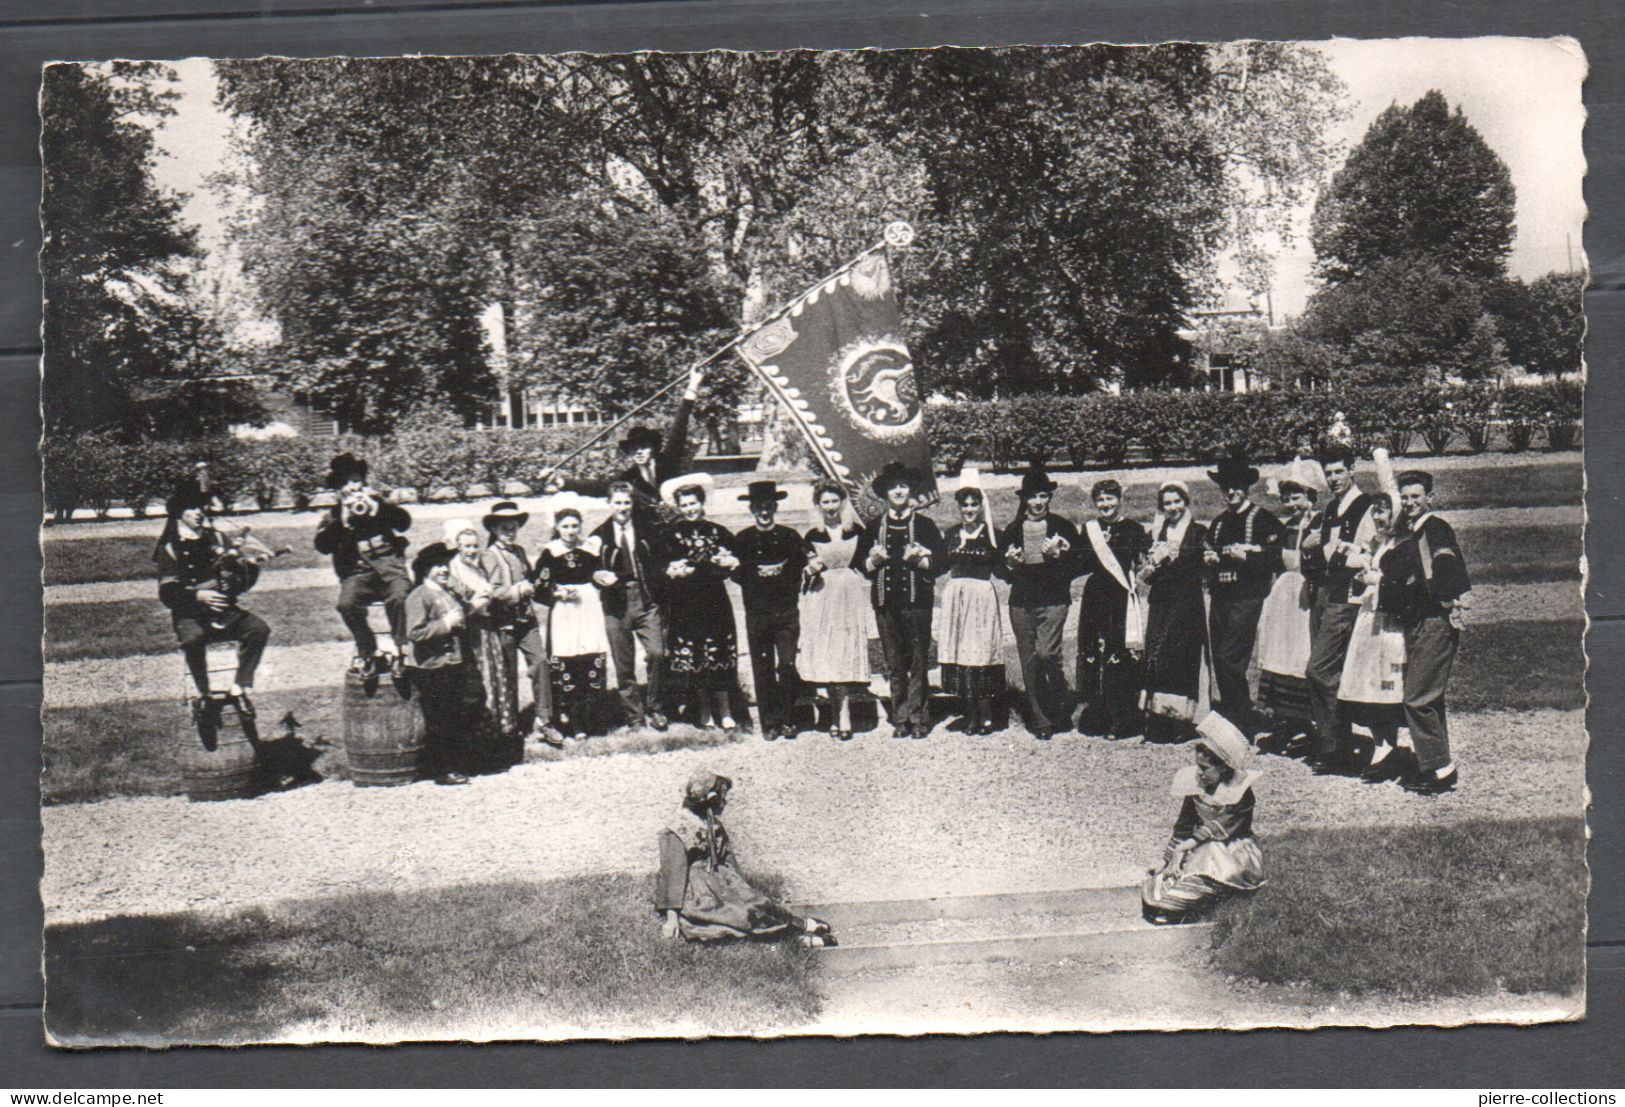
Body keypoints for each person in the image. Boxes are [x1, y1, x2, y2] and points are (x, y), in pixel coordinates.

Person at [656, 769, 835, 947]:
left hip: (720, 881)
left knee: (757, 903)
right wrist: (672, 918)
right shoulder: (677, 830)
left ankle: (797, 925)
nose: (724, 803)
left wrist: (741, 888)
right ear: (710, 799)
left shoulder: (711, 822)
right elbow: (673, 875)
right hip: (698, 891)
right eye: (722, 798)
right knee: (738, 915)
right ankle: (791, 939)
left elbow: (728, 857)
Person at [1383, 470, 1472, 796]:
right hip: (1417, 621)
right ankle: (1436, 764)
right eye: (1405, 498)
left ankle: (1441, 769)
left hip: (1436, 620)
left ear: (1429, 498)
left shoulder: (1435, 528)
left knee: (1417, 698)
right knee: (1429, 698)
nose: (1410, 503)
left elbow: (1446, 566)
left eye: (1416, 497)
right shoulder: (1409, 531)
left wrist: (1446, 598)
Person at [153, 486, 271, 721]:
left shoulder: (216, 537)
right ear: (179, 513)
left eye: (200, 507)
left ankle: (239, 689)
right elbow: (167, 593)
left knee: (259, 629)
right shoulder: (170, 547)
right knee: (193, 639)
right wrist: (196, 596)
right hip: (189, 613)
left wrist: (243, 572)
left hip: (223, 609)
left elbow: (240, 577)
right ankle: (204, 694)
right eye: (191, 508)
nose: (198, 512)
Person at [1141, 712, 1265, 925]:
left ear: (1223, 768)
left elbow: (1225, 825)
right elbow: (1184, 825)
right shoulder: (1197, 788)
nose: (1199, 773)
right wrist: (1168, 857)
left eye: (1205, 768)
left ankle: (1192, 902)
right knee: (1170, 875)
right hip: (1199, 846)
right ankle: (1174, 902)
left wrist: (1188, 845)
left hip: (1230, 850)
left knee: (1210, 856)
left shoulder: (1238, 793)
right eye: (1198, 766)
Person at [1301, 443, 1378, 774]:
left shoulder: (1366, 507)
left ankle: (1336, 747)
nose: (1333, 478)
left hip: (1347, 598)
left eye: (1338, 472)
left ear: (1352, 470)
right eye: (1328, 473)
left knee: (1319, 670)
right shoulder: (1331, 508)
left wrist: (1334, 552)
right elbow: (1320, 554)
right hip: (1325, 595)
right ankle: (1336, 742)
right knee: (1328, 673)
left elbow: (1370, 555)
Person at [549, 367, 705, 529]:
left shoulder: (668, 462)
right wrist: (561, 482)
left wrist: (693, 384)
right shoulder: (629, 478)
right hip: (650, 534)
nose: (638, 452)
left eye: (643, 447)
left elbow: (680, 427)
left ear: (653, 448)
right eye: (633, 449)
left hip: (680, 525)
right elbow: (598, 487)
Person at [853, 461, 944, 739]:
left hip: (917, 604)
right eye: (893, 487)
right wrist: (873, 560)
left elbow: (942, 562)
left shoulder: (926, 525)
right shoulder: (872, 527)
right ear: (885, 493)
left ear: (910, 490)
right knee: (895, 663)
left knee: (918, 661)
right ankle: (900, 717)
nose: (899, 491)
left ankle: (918, 718)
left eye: (903, 486)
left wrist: (922, 559)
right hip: (885, 603)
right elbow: (859, 564)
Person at [996, 466, 1081, 741]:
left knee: (1047, 654)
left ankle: (1059, 703)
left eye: (1043, 496)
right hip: (1021, 602)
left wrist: (1059, 556)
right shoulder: (1013, 529)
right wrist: (1010, 563)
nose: (1037, 503)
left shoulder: (1063, 527)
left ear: (1049, 498)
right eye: (1032, 497)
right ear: (1024, 499)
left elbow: (1080, 563)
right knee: (1029, 660)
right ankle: (1039, 716)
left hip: (1054, 600)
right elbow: (1001, 570)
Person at [1203, 458, 1285, 737]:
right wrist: (1210, 559)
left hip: (1248, 597)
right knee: (1219, 656)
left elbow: (1275, 559)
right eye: (1227, 487)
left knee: (1231, 658)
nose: (1231, 492)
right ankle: (1232, 712)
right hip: (1220, 597)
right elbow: (1207, 555)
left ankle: (1242, 721)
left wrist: (1247, 557)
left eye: (1237, 486)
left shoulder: (1263, 519)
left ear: (1247, 488)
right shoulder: (1218, 523)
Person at [655, 474, 743, 731]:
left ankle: (725, 710)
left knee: (720, 655)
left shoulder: (719, 532)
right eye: (684, 505)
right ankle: (704, 710)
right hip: (686, 604)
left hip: (714, 601)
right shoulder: (669, 535)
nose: (690, 509)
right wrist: (672, 570)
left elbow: (737, 565)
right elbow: (660, 570)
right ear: (678, 508)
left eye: (693, 503)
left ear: (702, 503)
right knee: (697, 658)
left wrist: (729, 562)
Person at [314, 452, 414, 678]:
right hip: (357, 574)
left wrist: (378, 507)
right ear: (338, 489)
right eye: (345, 483)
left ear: (364, 482)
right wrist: (343, 521)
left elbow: (404, 523)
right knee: (346, 605)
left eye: (356, 480)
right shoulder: (335, 514)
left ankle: (402, 650)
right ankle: (368, 650)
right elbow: (322, 545)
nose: (352, 487)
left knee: (399, 597)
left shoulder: (379, 504)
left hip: (391, 569)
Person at [1337, 493, 1411, 783]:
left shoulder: (1403, 545)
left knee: (1385, 682)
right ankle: (1382, 744)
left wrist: (1375, 578)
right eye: (1376, 513)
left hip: (1389, 623)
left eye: (1384, 513)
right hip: (1371, 617)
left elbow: (1402, 582)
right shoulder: (1381, 543)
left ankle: (1388, 747)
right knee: (1368, 681)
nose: (1379, 519)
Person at [478, 500, 564, 748]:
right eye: (504, 528)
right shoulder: (488, 556)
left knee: (540, 664)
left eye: (513, 527)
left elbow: (531, 580)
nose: (509, 532)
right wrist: (517, 590)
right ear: (494, 529)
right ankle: (508, 725)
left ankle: (544, 720)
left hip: (526, 620)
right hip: (502, 622)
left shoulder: (519, 552)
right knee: (506, 674)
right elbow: (491, 591)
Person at [1254, 459, 1325, 754]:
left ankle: (1307, 723)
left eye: (1296, 497)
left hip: (1307, 593)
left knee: (1302, 651)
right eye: (1286, 498)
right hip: (1284, 595)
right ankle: (1286, 720)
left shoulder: (1320, 524)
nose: (1291, 503)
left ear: (1310, 496)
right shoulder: (1285, 528)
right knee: (1279, 650)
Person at [1074, 478, 1151, 740]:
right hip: (1096, 595)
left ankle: (1123, 718)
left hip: (1120, 597)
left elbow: (1144, 562)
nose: (1105, 504)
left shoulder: (1134, 529)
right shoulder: (1090, 529)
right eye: (1100, 499)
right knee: (1093, 652)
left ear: (1120, 500)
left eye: (1110, 498)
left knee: (1120, 654)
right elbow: (1081, 563)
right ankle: (1098, 713)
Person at [732, 480, 810, 741]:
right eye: (758, 507)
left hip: (786, 612)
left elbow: (802, 564)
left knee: (787, 665)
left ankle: (789, 716)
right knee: (762, 666)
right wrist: (756, 573)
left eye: (768, 507)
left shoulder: (789, 536)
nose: (763, 512)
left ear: (775, 507)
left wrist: (781, 572)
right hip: (757, 613)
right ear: (751, 510)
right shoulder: (742, 540)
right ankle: (770, 722)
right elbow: (736, 572)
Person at [591, 481, 669, 734]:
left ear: (633, 504)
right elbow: (588, 568)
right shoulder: (599, 535)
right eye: (618, 503)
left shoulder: (647, 530)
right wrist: (598, 576)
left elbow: (661, 559)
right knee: (624, 665)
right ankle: (634, 716)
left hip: (646, 599)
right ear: (609, 504)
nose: (623, 508)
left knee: (657, 653)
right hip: (616, 603)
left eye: (627, 502)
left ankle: (655, 707)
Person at [442, 517, 521, 758]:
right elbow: (461, 604)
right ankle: (481, 732)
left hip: (487, 628)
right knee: (480, 679)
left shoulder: (477, 567)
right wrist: (482, 601)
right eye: (466, 546)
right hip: (471, 632)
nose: (472, 550)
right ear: (457, 547)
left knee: (497, 677)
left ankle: (500, 729)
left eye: (475, 546)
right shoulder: (454, 570)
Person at [798, 480, 871, 740]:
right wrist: (809, 570)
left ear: (842, 502)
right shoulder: (813, 536)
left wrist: (875, 560)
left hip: (848, 593)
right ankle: (833, 712)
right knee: (827, 652)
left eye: (834, 501)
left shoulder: (855, 531)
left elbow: (865, 564)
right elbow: (804, 571)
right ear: (818, 506)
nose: (830, 507)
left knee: (843, 650)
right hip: (823, 594)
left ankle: (845, 714)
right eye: (824, 502)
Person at [537, 505, 616, 742]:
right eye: (565, 526)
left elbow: (598, 573)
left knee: (590, 657)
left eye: (574, 526)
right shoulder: (550, 551)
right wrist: (557, 593)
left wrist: (601, 578)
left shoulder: (590, 549)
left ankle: (593, 718)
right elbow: (539, 586)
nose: (571, 531)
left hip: (589, 607)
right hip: (565, 611)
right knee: (568, 661)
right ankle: (574, 722)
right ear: (557, 528)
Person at [1138, 481, 1210, 743]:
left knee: (1182, 656)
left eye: (1177, 501)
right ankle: (1159, 718)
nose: (1173, 508)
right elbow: (1144, 576)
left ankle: (1183, 720)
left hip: (1187, 603)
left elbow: (1201, 568)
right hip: (1161, 602)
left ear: (1186, 502)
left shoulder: (1198, 532)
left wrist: (1174, 559)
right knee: (1158, 655)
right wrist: (1154, 563)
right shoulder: (1155, 533)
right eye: (1167, 503)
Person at [403, 542, 479, 786]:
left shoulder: (450, 592)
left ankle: (457, 762)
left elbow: (466, 610)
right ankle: (442, 769)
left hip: (454, 662)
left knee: (462, 709)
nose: (444, 570)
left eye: (446, 565)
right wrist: (446, 624)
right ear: (426, 569)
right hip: (431, 666)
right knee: (440, 718)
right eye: (438, 566)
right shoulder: (419, 596)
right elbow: (415, 632)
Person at [936, 483, 1006, 735]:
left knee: (981, 653)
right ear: (958, 507)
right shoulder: (951, 533)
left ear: (981, 506)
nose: (969, 509)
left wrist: (1013, 560)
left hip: (981, 598)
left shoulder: (992, 534)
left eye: (973, 504)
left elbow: (1002, 570)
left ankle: (986, 714)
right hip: (957, 598)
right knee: (961, 654)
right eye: (964, 505)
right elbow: (939, 565)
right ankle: (970, 713)